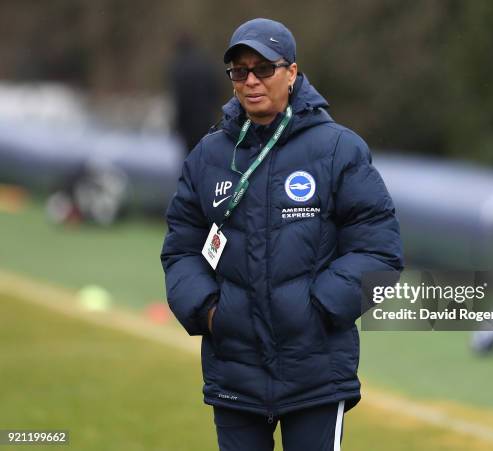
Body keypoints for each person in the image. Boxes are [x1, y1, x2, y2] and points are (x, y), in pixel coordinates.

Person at [161, 18, 404, 451]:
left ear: (291, 73)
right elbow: (182, 247)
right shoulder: (208, 156)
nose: (251, 80)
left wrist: (318, 308)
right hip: (235, 370)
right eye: (239, 71)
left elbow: (379, 250)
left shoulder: (338, 149)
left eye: (263, 68)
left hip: (316, 373)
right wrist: (211, 311)